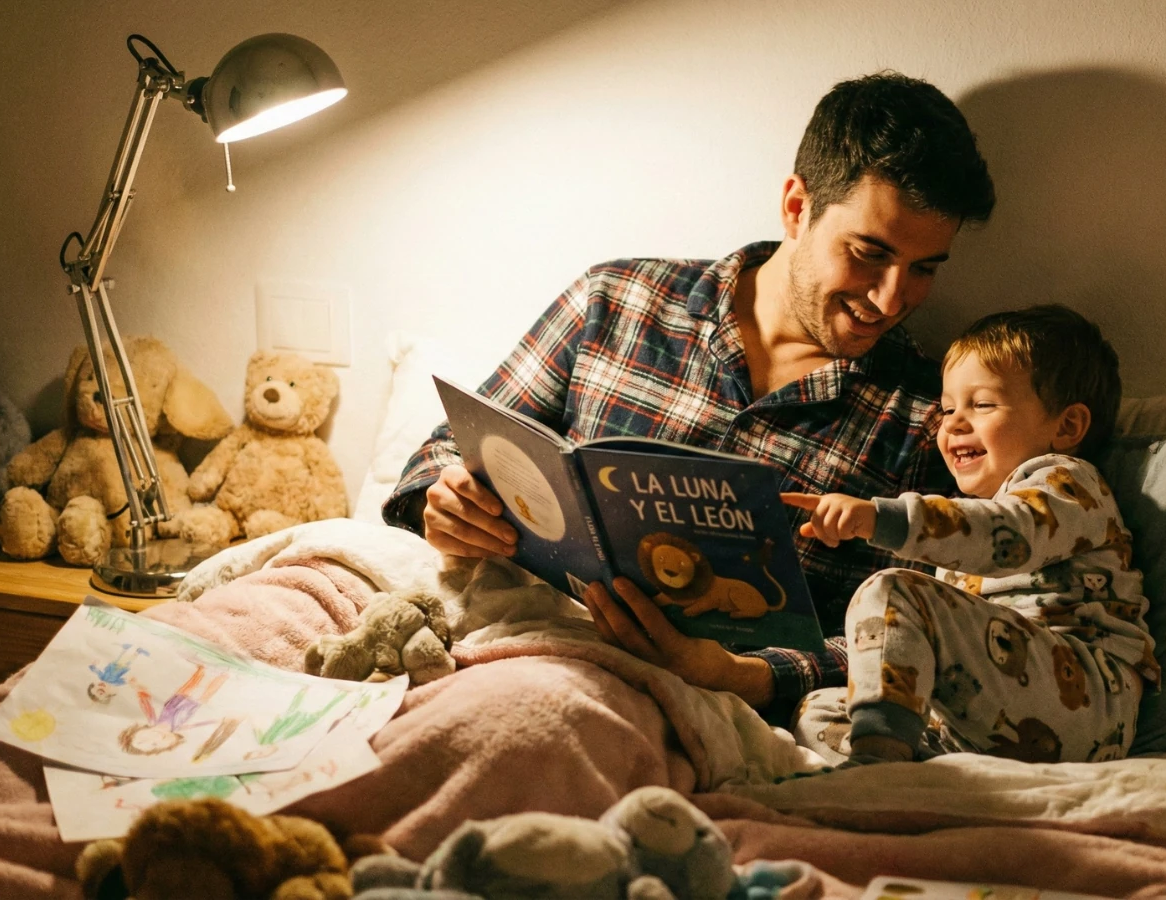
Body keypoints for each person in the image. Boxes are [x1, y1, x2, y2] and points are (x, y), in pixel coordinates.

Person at [383, 72, 996, 719]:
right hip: (522, 640)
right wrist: (445, 500)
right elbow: (453, 445)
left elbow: (936, 624)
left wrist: (748, 676)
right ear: (797, 206)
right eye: (869, 253)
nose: (891, 298)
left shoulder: (933, 415)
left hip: (705, 709)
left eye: (924, 268)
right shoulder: (615, 302)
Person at [781, 305, 1159, 766]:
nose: (953, 423)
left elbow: (1010, 534)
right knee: (816, 710)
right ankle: (912, 773)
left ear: (1067, 426)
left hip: (1083, 696)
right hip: (995, 714)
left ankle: (877, 772)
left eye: (981, 405)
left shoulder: (1068, 481)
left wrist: (883, 519)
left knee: (894, 591)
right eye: (947, 408)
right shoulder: (981, 509)